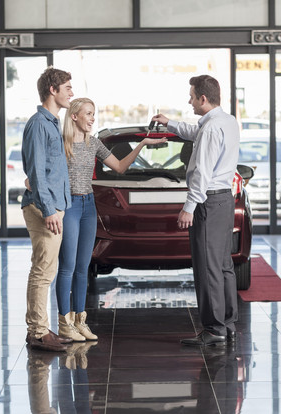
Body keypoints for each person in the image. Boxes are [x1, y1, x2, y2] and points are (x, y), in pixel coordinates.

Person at [52, 97, 167, 342]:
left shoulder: (94, 144)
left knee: (83, 268)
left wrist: (142, 145)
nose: (93, 118)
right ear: (74, 117)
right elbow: (46, 176)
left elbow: (120, 167)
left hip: (88, 206)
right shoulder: (61, 144)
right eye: (88, 114)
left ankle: (80, 321)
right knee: (67, 267)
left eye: (94, 114)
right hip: (69, 207)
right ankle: (65, 323)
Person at [151, 75, 240, 347]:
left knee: (207, 267)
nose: (189, 101)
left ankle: (213, 330)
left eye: (191, 96)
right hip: (224, 200)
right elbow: (195, 132)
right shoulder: (226, 121)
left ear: (203, 98)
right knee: (223, 265)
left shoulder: (212, 129)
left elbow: (202, 171)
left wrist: (189, 207)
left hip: (208, 203)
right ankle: (227, 323)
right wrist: (170, 123)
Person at [22, 67, 74, 352]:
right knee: (42, 271)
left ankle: (41, 327)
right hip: (45, 208)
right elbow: (38, 173)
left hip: (54, 205)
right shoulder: (39, 124)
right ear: (52, 90)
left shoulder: (52, 123)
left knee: (47, 269)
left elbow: (40, 169)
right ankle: (38, 332)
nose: (71, 92)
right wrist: (49, 210)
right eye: (67, 87)